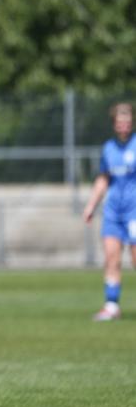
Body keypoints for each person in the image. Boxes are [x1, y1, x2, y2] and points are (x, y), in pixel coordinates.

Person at [83, 102, 136, 321]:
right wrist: (91, 205)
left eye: (127, 121)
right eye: (120, 122)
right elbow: (104, 179)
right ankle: (112, 305)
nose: (124, 126)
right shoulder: (108, 149)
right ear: (114, 124)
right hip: (114, 211)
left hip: (134, 212)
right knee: (111, 258)